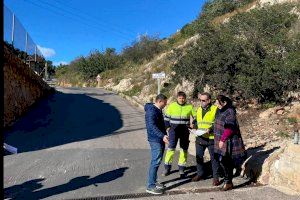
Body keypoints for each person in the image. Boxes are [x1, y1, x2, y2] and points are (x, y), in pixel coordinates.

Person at [214, 95, 247, 191]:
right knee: (222, 161)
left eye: (217, 102)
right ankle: (227, 181)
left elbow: (230, 128)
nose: (216, 104)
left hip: (228, 141)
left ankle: (228, 182)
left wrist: (222, 140)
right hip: (219, 139)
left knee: (226, 161)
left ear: (224, 102)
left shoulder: (230, 111)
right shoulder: (219, 110)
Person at [163, 91, 195, 178]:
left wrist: (193, 124)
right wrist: (168, 128)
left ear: (185, 99)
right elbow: (166, 119)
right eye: (180, 98)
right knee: (171, 148)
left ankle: (181, 169)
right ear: (177, 98)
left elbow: (196, 117)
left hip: (184, 131)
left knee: (184, 149)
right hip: (173, 131)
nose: (181, 100)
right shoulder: (172, 106)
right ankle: (167, 168)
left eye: (183, 98)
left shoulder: (189, 106)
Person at [191, 92, 220, 186]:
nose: (201, 102)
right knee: (199, 157)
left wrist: (210, 129)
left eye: (203, 100)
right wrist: (194, 126)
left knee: (214, 159)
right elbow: (197, 121)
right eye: (200, 100)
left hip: (211, 139)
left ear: (209, 100)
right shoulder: (198, 109)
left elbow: (219, 123)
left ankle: (216, 178)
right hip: (200, 137)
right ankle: (200, 174)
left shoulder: (215, 109)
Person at [145, 94, 169, 195]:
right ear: (160, 101)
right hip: (155, 140)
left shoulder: (158, 110)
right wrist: (162, 136)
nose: (166, 104)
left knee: (157, 161)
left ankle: (153, 182)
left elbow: (159, 124)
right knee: (155, 162)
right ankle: (150, 186)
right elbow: (152, 127)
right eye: (165, 102)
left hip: (159, 139)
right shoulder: (151, 111)